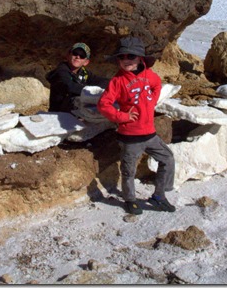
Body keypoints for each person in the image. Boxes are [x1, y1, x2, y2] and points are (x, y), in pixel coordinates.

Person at [97, 37, 176, 215]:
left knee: (168, 159)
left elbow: (157, 86)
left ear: (140, 58)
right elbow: (104, 104)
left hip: (150, 134)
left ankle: (159, 196)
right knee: (128, 171)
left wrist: (152, 102)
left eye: (131, 56)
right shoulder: (117, 81)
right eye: (122, 57)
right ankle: (130, 200)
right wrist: (122, 116)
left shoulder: (150, 75)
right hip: (130, 137)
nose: (126, 60)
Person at [46, 42, 109, 113]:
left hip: (74, 112)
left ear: (86, 62)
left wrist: (115, 84)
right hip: (59, 113)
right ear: (68, 55)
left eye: (82, 55)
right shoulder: (61, 70)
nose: (78, 57)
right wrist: (91, 91)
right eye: (75, 53)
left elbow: (101, 81)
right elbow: (69, 86)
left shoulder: (84, 73)